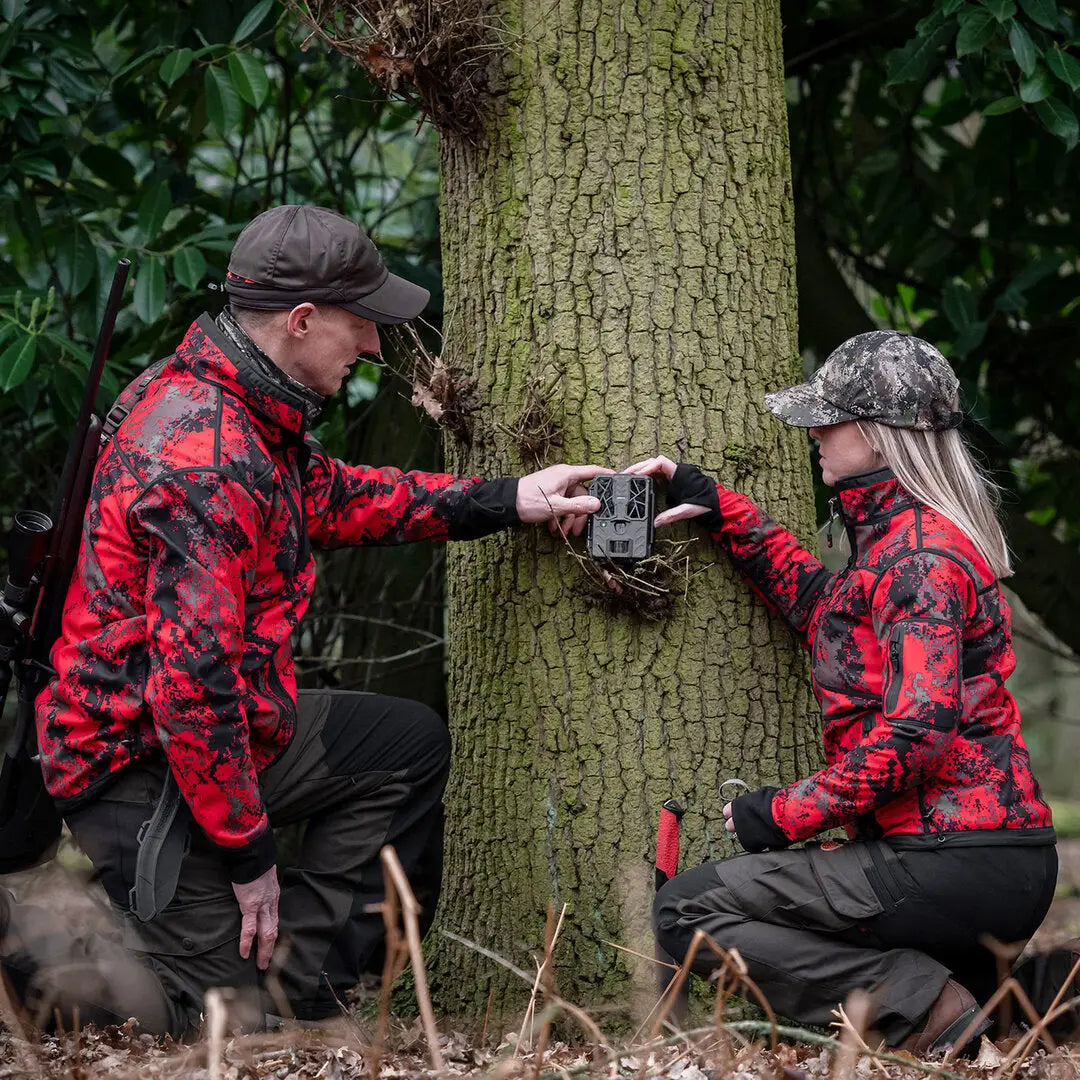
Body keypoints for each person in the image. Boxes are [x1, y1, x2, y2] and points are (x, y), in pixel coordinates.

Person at [16, 204, 609, 1036]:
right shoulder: (207, 458)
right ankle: (40, 955)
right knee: (223, 1024)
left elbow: (333, 498)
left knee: (404, 748)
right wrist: (249, 853)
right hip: (136, 764)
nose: (372, 345)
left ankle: (297, 981)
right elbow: (192, 690)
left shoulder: (239, 404)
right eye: (360, 323)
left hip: (218, 735)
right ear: (301, 321)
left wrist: (508, 499)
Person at [635, 331, 1059, 1056]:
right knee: (993, 1009)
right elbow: (827, 613)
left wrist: (783, 814)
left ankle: (926, 1004)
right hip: (979, 861)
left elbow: (917, 733)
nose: (814, 433)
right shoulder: (900, 542)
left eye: (828, 418)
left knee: (686, 911)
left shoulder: (920, 557)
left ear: (876, 434)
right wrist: (719, 510)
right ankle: (1012, 997)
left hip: (949, 860)